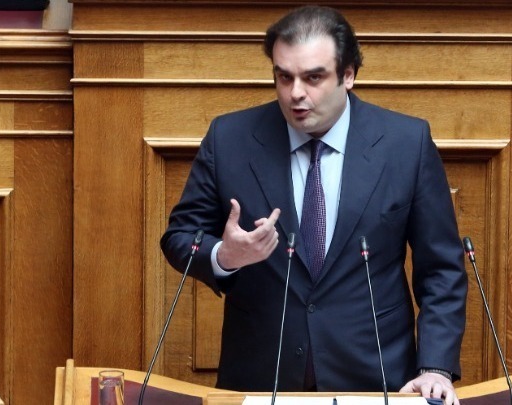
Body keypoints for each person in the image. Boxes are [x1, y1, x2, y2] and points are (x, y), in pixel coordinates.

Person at [160, 5, 468, 404]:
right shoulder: (229, 138)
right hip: (260, 377)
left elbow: (441, 269)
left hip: (376, 378)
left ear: (348, 75)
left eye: (313, 77)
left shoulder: (406, 143)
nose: (295, 93)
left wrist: (435, 368)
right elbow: (180, 237)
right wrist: (224, 256)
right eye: (284, 77)